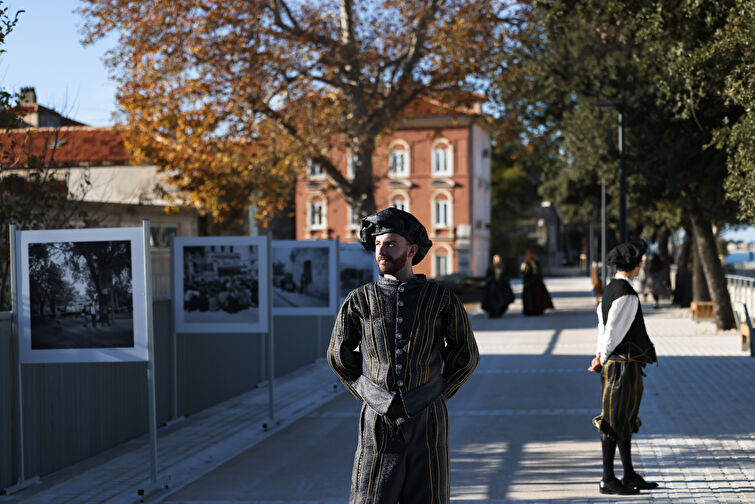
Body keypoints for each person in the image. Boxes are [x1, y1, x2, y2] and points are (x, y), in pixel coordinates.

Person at [328, 207, 479, 503]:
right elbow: (338, 356)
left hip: (428, 422)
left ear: (411, 250)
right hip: (376, 423)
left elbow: (466, 355)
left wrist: (435, 392)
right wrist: (373, 395)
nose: (381, 251)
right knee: (370, 497)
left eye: (390, 244)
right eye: (377, 245)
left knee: (429, 497)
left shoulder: (441, 298)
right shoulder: (358, 300)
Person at [588, 239, 658, 495]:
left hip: (619, 364)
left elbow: (602, 327)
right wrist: (603, 357)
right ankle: (608, 478)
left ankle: (628, 474)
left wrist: (598, 356)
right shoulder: (627, 295)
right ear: (636, 264)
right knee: (614, 419)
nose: (641, 265)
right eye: (641, 261)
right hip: (621, 367)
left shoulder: (610, 289)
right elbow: (612, 334)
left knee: (625, 418)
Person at [520, 249, 553, 315]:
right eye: (532, 254)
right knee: (530, 298)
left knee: (539, 297)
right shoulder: (525, 263)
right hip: (529, 283)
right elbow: (524, 273)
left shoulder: (536, 262)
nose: (533, 255)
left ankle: (538, 310)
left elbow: (539, 271)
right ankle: (530, 311)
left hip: (537, 282)